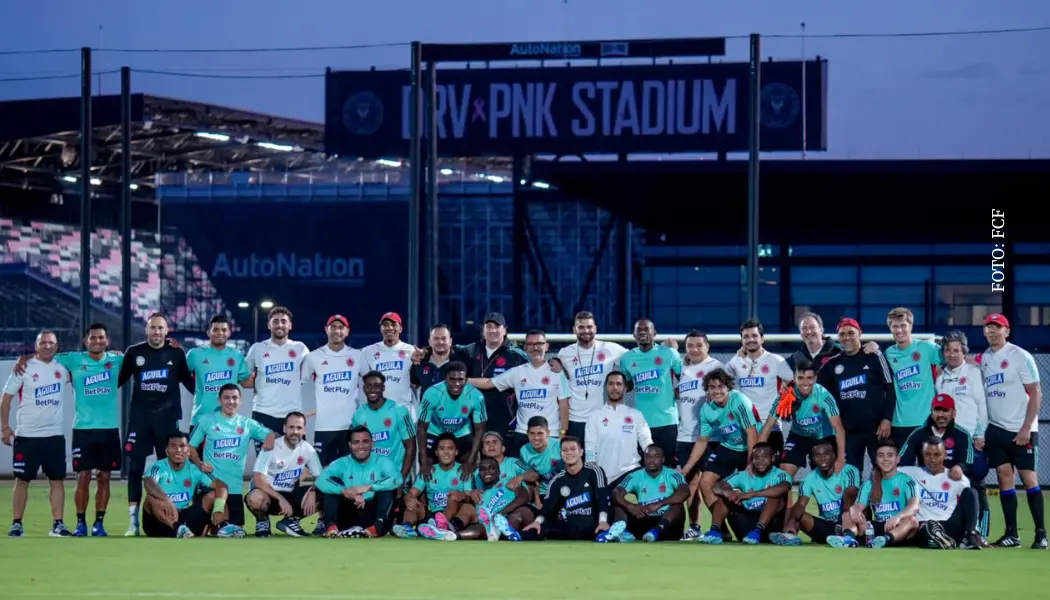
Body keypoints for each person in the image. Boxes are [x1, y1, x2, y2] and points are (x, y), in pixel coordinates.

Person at [15, 323, 125, 536]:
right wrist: (24, 358)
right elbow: (46, 353)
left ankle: (99, 523)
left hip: (109, 429)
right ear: (86, 341)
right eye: (93, 338)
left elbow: (139, 357)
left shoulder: (116, 360)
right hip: (82, 429)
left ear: (107, 341)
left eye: (101, 338)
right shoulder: (73, 359)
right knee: (82, 476)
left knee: (104, 477)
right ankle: (81, 523)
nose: (97, 341)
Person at [116, 312, 195, 537]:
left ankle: (171, 517)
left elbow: (192, 385)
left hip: (167, 421)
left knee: (168, 470)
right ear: (146, 330)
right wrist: (108, 360)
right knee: (134, 468)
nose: (157, 332)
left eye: (161, 328)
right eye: (153, 328)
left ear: (167, 331)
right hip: (140, 420)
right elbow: (118, 379)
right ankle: (133, 522)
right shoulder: (134, 353)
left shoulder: (177, 354)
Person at [979, 313, 1045, 549]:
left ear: (1007, 331)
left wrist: (1027, 427)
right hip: (996, 430)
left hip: (1021, 429)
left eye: (997, 327)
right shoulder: (985, 358)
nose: (992, 331)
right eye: (988, 328)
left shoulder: (1020, 356)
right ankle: (1012, 535)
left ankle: (1041, 534)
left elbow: (1036, 392)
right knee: (1004, 478)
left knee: (1029, 479)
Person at [2, 331, 72, 537]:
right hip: (27, 436)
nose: (47, 346)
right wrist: (4, 428)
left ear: (57, 347)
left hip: (54, 436)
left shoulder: (63, 369)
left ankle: (58, 525)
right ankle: (17, 524)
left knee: (57, 480)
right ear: (36, 345)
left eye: (51, 343)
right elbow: (5, 399)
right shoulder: (23, 367)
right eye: (43, 342)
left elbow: (87, 362)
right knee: (22, 480)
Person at [678, 368, 758, 537]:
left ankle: (754, 527)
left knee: (752, 485)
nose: (716, 391)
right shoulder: (706, 409)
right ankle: (721, 529)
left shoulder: (739, 401)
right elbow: (702, 441)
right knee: (705, 482)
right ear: (707, 390)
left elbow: (751, 433)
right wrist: (685, 469)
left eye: (720, 386)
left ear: (728, 387)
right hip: (728, 447)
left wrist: (751, 462)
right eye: (712, 387)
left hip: (749, 448)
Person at [469, 329, 569, 455]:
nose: (535, 348)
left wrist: (563, 432)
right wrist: (463, 380)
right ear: (525, 348)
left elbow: (564, 404)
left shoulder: (557, 372)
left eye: (539, 344)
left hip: (550, 433)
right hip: (523, 433)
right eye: (531, 344)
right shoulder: (517, 372)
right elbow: (489, 383)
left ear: (547, 346)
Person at [188, 384, 275, 528]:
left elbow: (271, 434)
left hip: (234, 489)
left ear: (240, 401)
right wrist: (199, 463)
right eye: (226, 398)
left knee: (236, 531)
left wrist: (270, 436)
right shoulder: (206, 420)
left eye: (234, 398)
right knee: (200, 531)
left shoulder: (247, 424)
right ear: (219, 400)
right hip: (210, 486)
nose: (231, 401)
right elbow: (190, 447)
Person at [818, 317, 896, 472]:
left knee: (883, 472)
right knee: (851, 477)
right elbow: (815, 388)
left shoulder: (874, 356)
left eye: (850, 333)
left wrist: (887, 419)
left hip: (877, 430)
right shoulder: (832, 364)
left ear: (859, 333)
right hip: (849, 432)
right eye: (842, 334)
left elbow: (891, 389)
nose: (846, 337)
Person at [936, 329, 990, 538]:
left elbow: (982, 406)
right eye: (948, 350)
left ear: (963, 351)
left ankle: (981, 534)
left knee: (977, 485)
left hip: (971, 440)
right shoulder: (940, 378)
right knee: (954, 486)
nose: (951, 354)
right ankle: (960, 532)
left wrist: (980, 433)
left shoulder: (973, 373)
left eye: (956, 350)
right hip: (949, 442)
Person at [141, 432, 240, 538]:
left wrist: (218, 508)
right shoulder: (159, 467)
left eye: (182, 446)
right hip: (159, 523)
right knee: (151, 498)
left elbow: (222, 486)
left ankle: (223, 527)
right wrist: (166, 500)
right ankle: (177, 528)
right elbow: (148, 482)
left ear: (188, 451)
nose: (178, 450)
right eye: (173, 446)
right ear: (167, 451)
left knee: (214, 495)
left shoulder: (195, 470)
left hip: (184, 518)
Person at [522, 436, 619, 541]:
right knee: (540, 528)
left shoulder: (594, 472)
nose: (569, 453)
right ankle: (513, 535)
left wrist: (603, 521)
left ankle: (607, 534)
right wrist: (537, 522)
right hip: (569, 526)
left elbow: (602, 498)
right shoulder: (557, 480)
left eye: (573, 449)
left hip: (593, 524)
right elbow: (548, 507)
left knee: (600, 529)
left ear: (581, 452)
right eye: (565, 450)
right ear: (560, 454)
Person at [761, 358, 846, 479]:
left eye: (809, 378)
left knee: (828, 474)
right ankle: (786, 498)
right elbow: (767, 427)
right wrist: (754, 456)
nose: (805, 383)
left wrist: (841, 457)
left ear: (815, 378)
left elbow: (839, 429)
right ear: (794, 379)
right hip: (798, 435)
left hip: (822, 437)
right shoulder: (785, 398)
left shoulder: (824, 396)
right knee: (783, 473)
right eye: (800, 378)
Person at [674, 330, 722, 539]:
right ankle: (694, 526)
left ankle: (720, 527)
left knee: (711, 484)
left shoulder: (716, 367)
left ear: (707, 347)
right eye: (690, 345)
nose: (694, 349)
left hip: (711, 438)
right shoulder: (681, 368)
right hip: (684, 436)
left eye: (698, 345)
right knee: (690, 484)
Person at [315, 425, 404, 538]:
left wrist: (368, 487)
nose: (361, 446)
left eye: (365, 441)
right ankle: (331, 527)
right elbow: (320, 480)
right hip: (348, 512)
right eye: (356, 442)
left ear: (372, 444)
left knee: (387, 489)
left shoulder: (382, 461)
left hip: (372, 514)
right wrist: (345, 491)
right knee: (332, 485)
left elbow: (397, 478)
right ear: (350, 445)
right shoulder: (342, 462)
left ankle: (377, 527)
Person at [555, 311, 628, 443]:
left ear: (595, 328)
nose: (586, 331)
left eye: (589, 327)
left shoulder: (610, 349)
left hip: (602, 418)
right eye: (581, 327)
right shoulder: (564, 354)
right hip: (575, 420)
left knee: (601, 461)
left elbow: (637, 357)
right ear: (574, 330)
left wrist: (663, 348)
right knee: (577, 462)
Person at [302, 314, 365, 467]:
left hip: (350, 426)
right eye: (333, 327)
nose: (337, 331)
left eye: (341, 327)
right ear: (326, 330)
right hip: (324, 426)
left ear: (347, 331)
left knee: (351, 472)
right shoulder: (313, 357)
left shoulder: (358, 356)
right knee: (323, 473)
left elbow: (372, 382)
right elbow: (298, 383)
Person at [698, 442, 791, 545]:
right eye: (756, 458)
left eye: (764, 457)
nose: (760, 461)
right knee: (723, 499)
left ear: (772, 458)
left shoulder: (780, 474)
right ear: (752, 460)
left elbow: (784, 487)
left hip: (770, 525)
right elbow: (717, 486)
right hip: (746, 525)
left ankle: (758, 532)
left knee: (775, 497)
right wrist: (728, 493)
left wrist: (750, 494)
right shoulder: (743, 475)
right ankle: (714, 532)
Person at [246, 411, 322, 537]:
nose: (295, 432)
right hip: (268, 495)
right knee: (255, 498)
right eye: (291, 427)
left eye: (299, 428)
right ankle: (262, 521)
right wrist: (280, 498)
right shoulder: (271, 446)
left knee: (323, 494)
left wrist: (313, 491)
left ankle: (291, 521)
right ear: (284, 428)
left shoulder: (308, 450)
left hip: (290, 494)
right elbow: (258, 480)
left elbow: (321, 477)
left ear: (304, 430)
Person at [724, 319, 794, 453]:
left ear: (762, 339)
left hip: (771, 428)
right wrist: (736, 357)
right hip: (745, 428)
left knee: (773, 472)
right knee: (746, 472)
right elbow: (721, 378)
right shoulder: (736, 362)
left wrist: (786, 395)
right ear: (742, 341)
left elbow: (796, 384)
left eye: (754, 336)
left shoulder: (776, 361)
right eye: (746, 337)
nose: (750, 339)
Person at [619, 319, 683, 465]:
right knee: (644, 467)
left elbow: (685, 377)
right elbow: (627, 386)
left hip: (667, 421)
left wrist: (678, 393)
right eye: (639, 330)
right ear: (634, 335)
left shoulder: (669, 353)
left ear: (654, 333)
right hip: (641, 422)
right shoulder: (627, 358)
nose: (642, 332)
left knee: (668, 467)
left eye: (646, 329)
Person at [878, 307, 944, 448]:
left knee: (929, 467)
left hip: (926, 421)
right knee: (901, 467)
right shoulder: (888, 354)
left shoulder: (926, 348)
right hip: (899, 422)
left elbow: (951, 359)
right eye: (895, 326)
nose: (899, 330)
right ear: (890, 328)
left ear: (911, 326)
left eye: (903, 325)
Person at [900, 437, 982, 550]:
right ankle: (941, 540)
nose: (932, 459)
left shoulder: (958, 479)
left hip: (950, 524)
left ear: (944, 454)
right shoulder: (913, 473)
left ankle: (970, 536)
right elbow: (885, 468)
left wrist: (975, 530)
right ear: (922, 455)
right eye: (927, 454)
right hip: (925, 525)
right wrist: (877, 483)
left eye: (937, 454)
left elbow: (970, 507)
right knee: (924, 531)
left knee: (971, 492)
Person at [772, 441, 860, 546]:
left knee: (851, 510)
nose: (822, 458)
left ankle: (848, 537)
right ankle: (790, 535)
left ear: (833, 455)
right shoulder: (809, 479)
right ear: (812, 459)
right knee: (798, 514)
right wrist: (791, 521)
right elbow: (801, 503)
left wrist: (846, 516)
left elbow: (850, 494)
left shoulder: (849, 471)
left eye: (826, 454)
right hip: (828, 527)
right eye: (817, 455)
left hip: (850, 522)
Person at [836, 439, 920, 549]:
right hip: (879, 527)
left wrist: (897, 517)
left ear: (897, 459)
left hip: (899, 526)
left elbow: (914, 506)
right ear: (876, 459)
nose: (885, 459)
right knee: (847, 514)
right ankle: (848, 539)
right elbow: (858, 506)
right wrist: (855, 509)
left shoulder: (908, 481)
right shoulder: (869, 484)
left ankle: (885, 540)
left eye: (890, 455)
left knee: (912, 521)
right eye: (881, 455)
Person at [395, 433, 475, 541]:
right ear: (437, 453)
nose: (446, 452)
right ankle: (407, 528)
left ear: (456, 452)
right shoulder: (428, 471)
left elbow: (469, 497)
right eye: (442, 449)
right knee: (413, 505)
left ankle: (442, 526)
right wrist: (409, 498)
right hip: (432, 514)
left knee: (454, 498)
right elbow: (412, 493)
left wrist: (462, 496)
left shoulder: (463, 471)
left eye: (450, 448)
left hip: (454, 513)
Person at [244, 305, 310, 435]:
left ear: (290, 325)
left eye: (283, 321)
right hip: (263, 412)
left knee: (295, 455)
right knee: (265, 455)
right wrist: (257, 384)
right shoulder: (257, 348)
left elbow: (314, 370)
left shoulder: (300, 348)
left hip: (292, 414)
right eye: (275, 321)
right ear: (269, 325)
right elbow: (243, 377)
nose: (279, 325)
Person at [584, 371, 653, 488]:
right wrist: (594, 478)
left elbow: (647, 443)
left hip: (631, 475)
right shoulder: (594, 416)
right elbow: (590, 450)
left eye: (619, 384)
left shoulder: (636, 415)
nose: (614, 387)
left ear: (625, 388)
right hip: (603, 478)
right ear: (606, 387)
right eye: (611, 384)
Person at [417, 361, 486, 475]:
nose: (456, 384)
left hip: (461, 433)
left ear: (466, 379)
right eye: (452, 379)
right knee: (428, 467)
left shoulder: (476, 396)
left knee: (469, 463)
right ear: (446, 379)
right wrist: (424, 461)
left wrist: (471, 460)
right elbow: (421, 428)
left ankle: (466, 491)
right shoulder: (432, 393)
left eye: (460, 380)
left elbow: (480, 429)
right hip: (435, 432)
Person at [610, 445, 689, 542]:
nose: (651, 460)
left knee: (678, 505)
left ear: (663, 459)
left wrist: (658, 504)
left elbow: (685, 492)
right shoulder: (635, 476)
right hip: (645, 519)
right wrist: (630, 506)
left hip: (667, 523)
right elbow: (616, 492)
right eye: (648, 456)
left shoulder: (672, 474)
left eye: (656, 456)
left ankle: (657, 530)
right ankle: (620, 533)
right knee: (619, 504)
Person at [185, 314, 251, 431]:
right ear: (208, 332)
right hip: (200, 419)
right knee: (195, 450)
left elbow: (246, 382)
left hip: (227, 421)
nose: (220, 333)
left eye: (224, 330)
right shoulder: (194, 354)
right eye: (215, 329)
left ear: (229, 333)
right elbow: (179, 374)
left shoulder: (237, 356)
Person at [351, 371, 416, 481]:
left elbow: (411, 447)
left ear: (383, 388)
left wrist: (402, 477)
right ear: (363, 388)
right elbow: (357, 449)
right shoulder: (358, 415)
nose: (372, 390)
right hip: (369, 478)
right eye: (368, 386)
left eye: (377, 386)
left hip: (395, 476)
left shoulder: (399, 411)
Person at [899, 394, 974, 478]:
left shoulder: (963, 435)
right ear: (931, 412)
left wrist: (960, 467)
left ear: (954, 413)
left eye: (945, 410)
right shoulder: (918, 433)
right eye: (937, 410)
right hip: (924, 481)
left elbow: (967, 461)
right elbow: (902, 459)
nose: (941, 415)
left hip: (952, 480)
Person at [362, 312, 418, 419]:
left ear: (400, 328)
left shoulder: (411, 351)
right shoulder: (368, 351)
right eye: (386, 325)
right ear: (381, 329)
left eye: (393, 324)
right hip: (378, 411)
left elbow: (417, 381)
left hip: (404, 410)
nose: (389, 328)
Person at [473, 455, 534, 542]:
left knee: (520, 513)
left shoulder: (509, 481)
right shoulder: (479, 495)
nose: (487, 471)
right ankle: (453, 535)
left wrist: (501, 513)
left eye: (491, 468)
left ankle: (509, 533)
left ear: (499, 472)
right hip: (493, 526)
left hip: (514, 516)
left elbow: (523, 498)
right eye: (482, 469)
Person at [518, 416, 564, 503]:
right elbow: (532, 478)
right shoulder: (524, 450)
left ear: (548, 433)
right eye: (532, 433)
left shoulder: (560, 445)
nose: (536, 438)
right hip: (544, 492)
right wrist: (537, 500)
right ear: (527, 434)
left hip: (564, 489)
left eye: (540, 433)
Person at [411, 324, 462, 397]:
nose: (440, 342)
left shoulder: (460, 363)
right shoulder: (419, 362)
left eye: (444, 338)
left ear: (450, 341)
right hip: (427, 408)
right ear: (430, 341)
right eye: (436, 338)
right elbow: (414, 385)